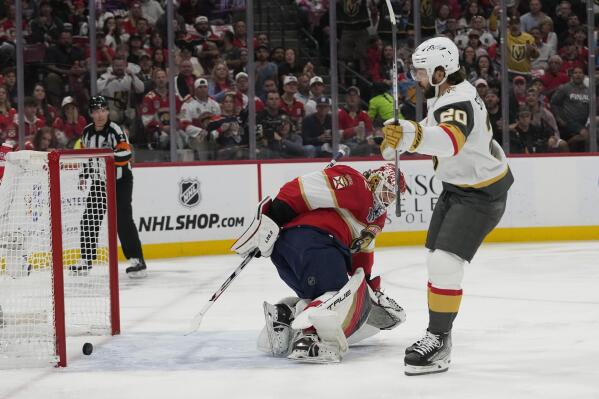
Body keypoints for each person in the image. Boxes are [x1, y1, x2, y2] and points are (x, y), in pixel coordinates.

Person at [380, 37, 513, 375]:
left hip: (480, 193)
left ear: (442, 71)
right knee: (436, 261)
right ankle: (440, 334)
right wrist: (406, 137)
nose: (416, 77)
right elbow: (435, 129)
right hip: (460, 187)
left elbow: (450, 141)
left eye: (422, 71)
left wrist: (410, 135)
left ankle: (438, 340)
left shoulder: (460, 100)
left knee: (443, 262)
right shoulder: (445, 95)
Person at [231, 163, 407, 363]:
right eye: (388, 191)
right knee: (337, 297)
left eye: (393, 196)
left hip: (291, 250)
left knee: (322, 297)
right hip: (315, 243)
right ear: (376, 180)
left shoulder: (377, 217)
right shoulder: (356, 182)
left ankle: (285, 316)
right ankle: (310, 338)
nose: (389, 199)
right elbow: (301, 188)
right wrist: (276, 214)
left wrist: (366, 282)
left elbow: (362, 251)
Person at [74, 96, 147, 278]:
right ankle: (86, 260)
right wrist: (84, 175)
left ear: (108, 111)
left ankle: (137, 260)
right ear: (91, 114)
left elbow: (125, 155)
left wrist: (108, 158)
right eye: (96, 111)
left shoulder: (115, 130)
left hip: (120, 181)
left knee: (122, 220)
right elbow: (86, 155)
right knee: (89, 219)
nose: (100, 114)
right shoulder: (87, 132)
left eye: (103, 110)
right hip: (99, 182)